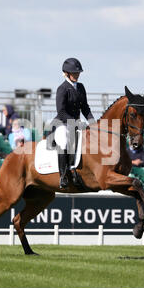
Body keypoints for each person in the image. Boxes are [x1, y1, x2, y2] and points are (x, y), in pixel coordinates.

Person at [51, 57, 95, 189]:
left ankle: (78, 170)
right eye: (75, 73)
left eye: (78, 73)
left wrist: (93, 123)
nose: (77, 75)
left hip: (76, 123)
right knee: (64, 141)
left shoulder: (80, 87)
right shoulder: (62, 89)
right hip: (62, 123)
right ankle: (63, 176)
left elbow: (85, 108)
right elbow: (61, 111)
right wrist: (75, 123)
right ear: (66, 73)